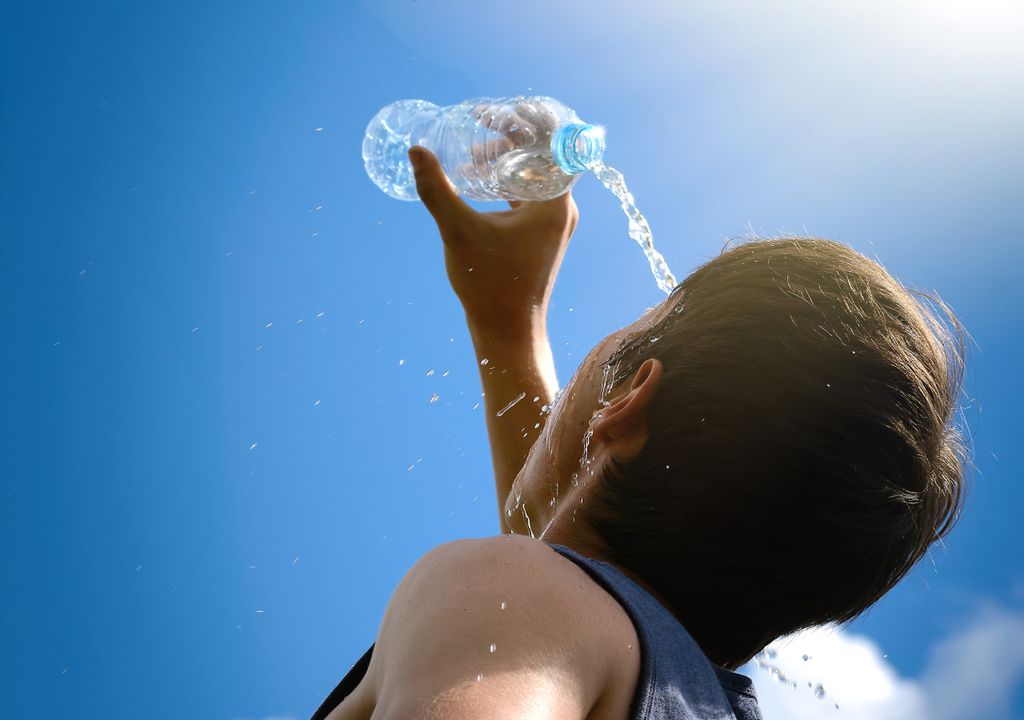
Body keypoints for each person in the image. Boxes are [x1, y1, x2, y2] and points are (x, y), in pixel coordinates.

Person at [311, 146, 967, 720]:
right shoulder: (679, 688)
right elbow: (571, 570)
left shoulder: (513, 593)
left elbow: (544, 588)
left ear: (629, 398)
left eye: (634, 323)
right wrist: (509, 327)